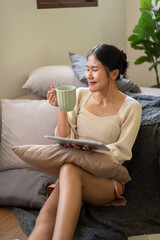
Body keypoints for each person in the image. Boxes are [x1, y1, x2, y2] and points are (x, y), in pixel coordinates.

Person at [28, 43, 142, 240]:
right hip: (73, 172)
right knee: (48, 212)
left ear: (114, 74)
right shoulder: (79, 95)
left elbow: (122, 152)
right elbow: (64, 138)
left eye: (95, 70)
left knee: (69, 169)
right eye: (87, 69)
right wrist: (62, 107)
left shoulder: (131, 107)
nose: (88, 75)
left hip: (105, 181)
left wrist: (90, 151)